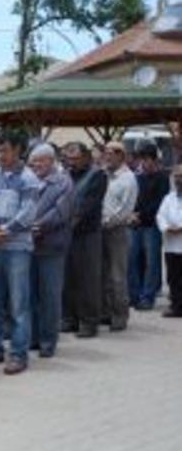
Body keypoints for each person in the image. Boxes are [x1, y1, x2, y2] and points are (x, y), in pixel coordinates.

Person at [0, 132, 39, 375]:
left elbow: (28, 212)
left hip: (17, 249)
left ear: (18, 151)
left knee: (19, 304)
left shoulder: (28, 179)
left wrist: (5, 229)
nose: (0, 155)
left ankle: (18, 354)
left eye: (5, 151)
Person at [27, 143, 73, 358]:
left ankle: (48, 341)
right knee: (31, 295)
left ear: (51, 160)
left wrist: (39, 225)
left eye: (39, 160)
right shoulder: (30, 180)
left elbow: (61, 211)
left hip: (51, 246)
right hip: (29, 246)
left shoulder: (64, 182)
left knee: (50, 296)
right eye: (33, 161)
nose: (35, 165)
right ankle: (33, 338)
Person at [62, 142, 108, 337]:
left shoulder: (98, 175)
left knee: (88, 279)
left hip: (88, 234)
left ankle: (89, 322)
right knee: (69, 277)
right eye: (69, 159)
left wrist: (69, 221)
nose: (72, 163)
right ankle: (70, 319)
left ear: (87, 157)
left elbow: (89, 205)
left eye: (76, 159)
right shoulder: (66, 175)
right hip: (68, 233)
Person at [101, 142, 139, 332]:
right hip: (100, 230)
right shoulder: (104, 175)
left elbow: (125, 209)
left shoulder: (128, 179)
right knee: (104, 274)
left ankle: (120, 315)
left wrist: (106, 222)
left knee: (117, 276)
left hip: (117, 231)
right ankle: (107, 312)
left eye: (110, 153)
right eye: (105, 153)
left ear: (120, 156)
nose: (106, 156)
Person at [128, 140, 169, 311]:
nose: (142, 163)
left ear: (154, 160)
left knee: (152, 262)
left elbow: (159, 202)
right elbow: (132, 199)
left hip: (151, 225)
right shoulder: (136, 178)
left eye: (145, 159)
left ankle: (148, 296)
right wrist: (131, 214)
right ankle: (135, 295)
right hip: (135, 225)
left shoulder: (162, 178)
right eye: (140, 159)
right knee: (132, 260)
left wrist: (140, 215)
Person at [156, 164, 182, 318]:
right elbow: (160, 215)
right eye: (177, 176)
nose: (179, 179)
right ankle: (176, 307)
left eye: (181, 176)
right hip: (171, 244)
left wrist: (180, 228)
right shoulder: (168, 197)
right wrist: (167, 228)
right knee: (173, 278)